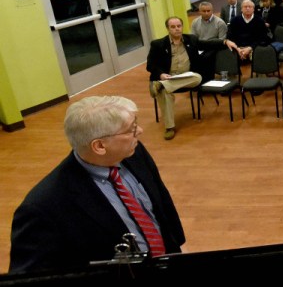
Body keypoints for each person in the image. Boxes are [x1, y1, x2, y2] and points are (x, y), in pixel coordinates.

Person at [9, 96, 185, 274]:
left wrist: (176, 246)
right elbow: (29, 278)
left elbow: (161, 201)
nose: (139, 131)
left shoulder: (133, 151)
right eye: (131, 129)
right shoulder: (42, 208)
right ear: (100, 146)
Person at [147, 16, 233, 140]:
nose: (177, 29)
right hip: (168, 77)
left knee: (197, 77)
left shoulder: (191, 39)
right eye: (173, 27)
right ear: (168, 29)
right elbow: (150, 65)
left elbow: (207, 44)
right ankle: (169, 127)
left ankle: (160, 85)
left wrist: (224, 42)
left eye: (179, 26)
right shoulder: (158, 44)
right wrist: (161, 75)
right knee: (165, 92)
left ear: (182, 27)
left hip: (187, 77)